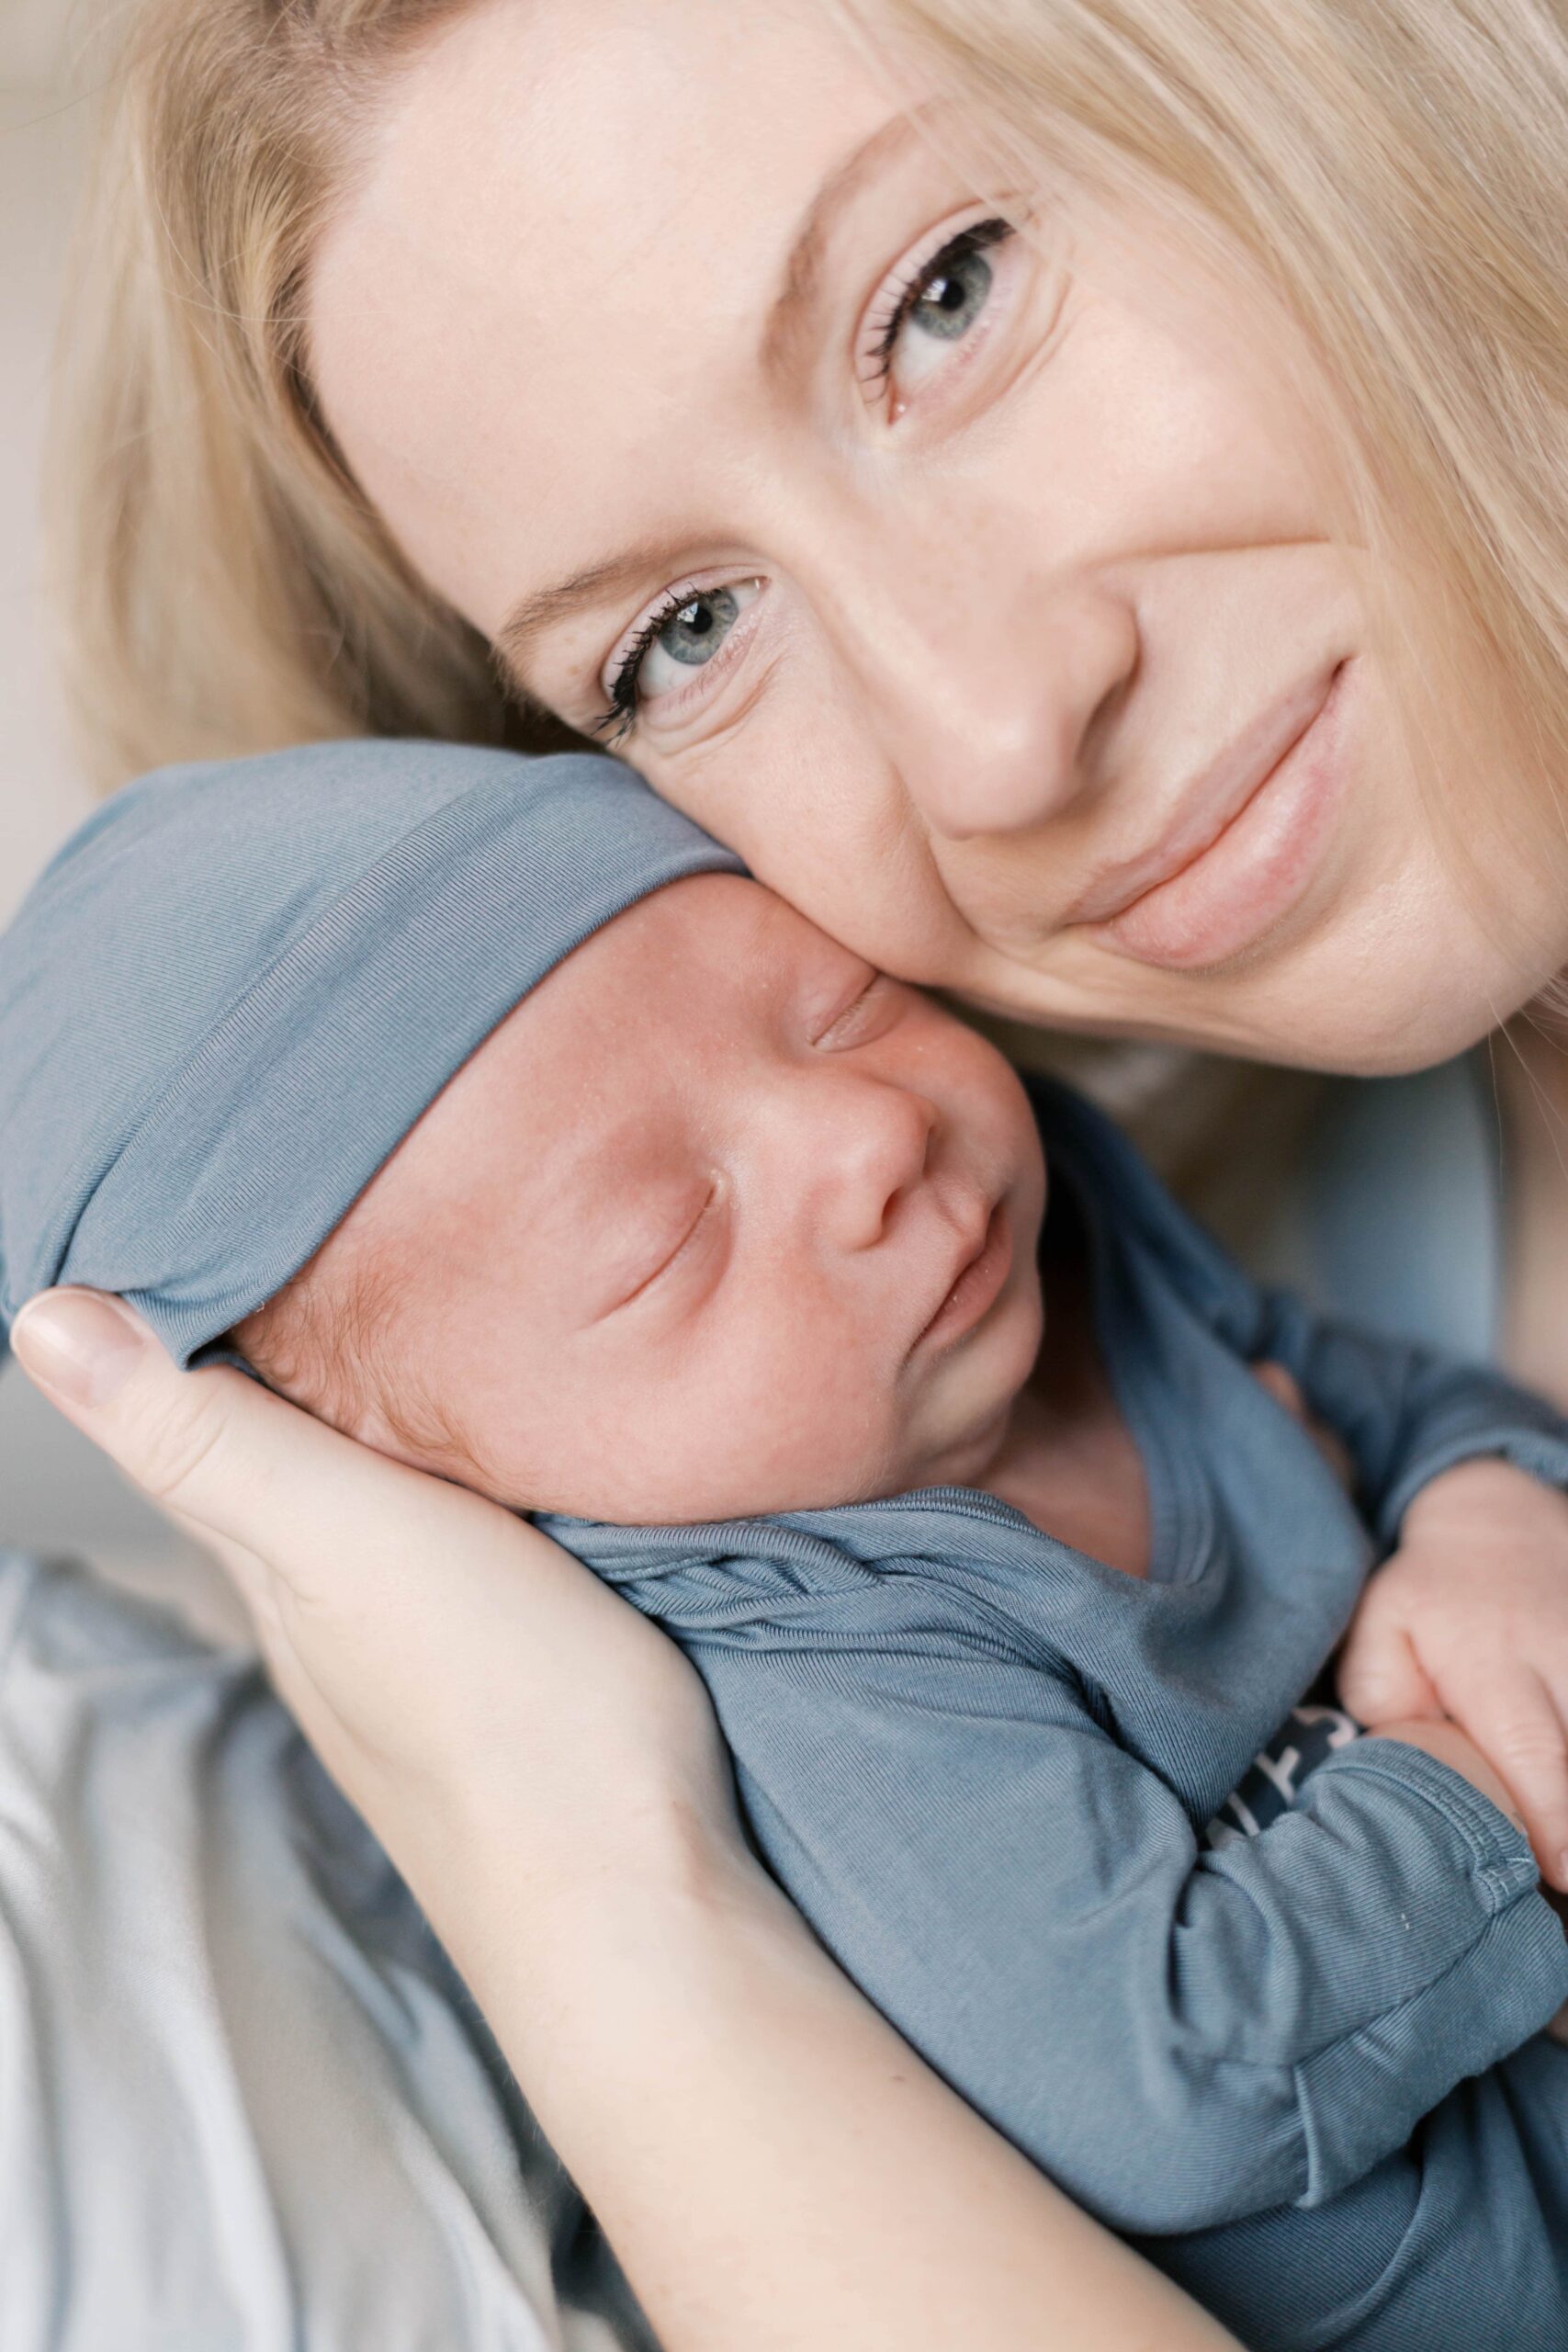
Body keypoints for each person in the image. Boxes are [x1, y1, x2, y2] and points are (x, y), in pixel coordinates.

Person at [28, 0, 1568, 2335]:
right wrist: (598, 1882)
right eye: (681, 639)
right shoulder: (1261, 1228)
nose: (994, 731)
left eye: (946, 293)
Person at [9, 737, 1568, 2352]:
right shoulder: (811, 1657)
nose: (869, 1136)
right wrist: (1485, 1777)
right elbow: (1183, 2082)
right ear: (443, 1487)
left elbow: (1374, 1395)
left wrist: (1490, 1509)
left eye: (845, 1008)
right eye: (671, 1240)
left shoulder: (1053, 1264)